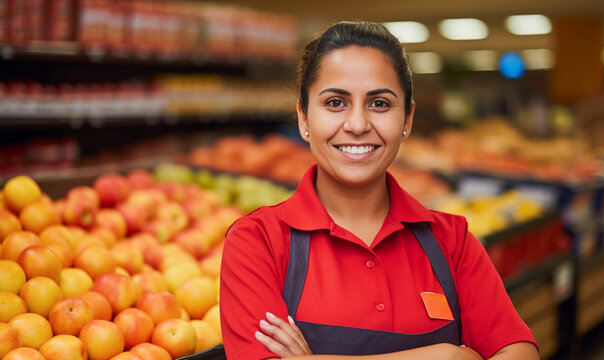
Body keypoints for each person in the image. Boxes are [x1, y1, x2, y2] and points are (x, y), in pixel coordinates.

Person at [219, 21, 539, 360]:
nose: (357, 125)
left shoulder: (452, 242)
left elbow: (520, 353)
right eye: (335, 102)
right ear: (303, 118)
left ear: (407, 119)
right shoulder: (258, 242)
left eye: (380, 104)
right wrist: (446, 356)